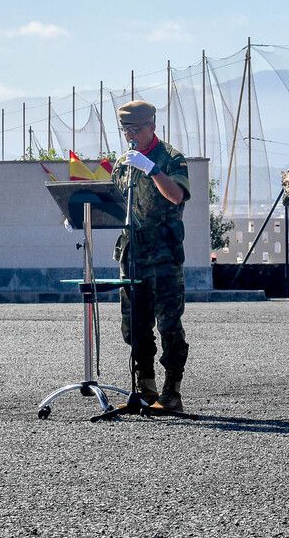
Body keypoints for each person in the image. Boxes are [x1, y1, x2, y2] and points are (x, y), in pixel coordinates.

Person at [110, 100, 191, 411]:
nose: (130, 135)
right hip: (132, 251)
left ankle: (172, 391)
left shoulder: (170, 159)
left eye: (135, 128)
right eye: (125, 129)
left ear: (152, 126)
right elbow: (116, 204)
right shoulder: (122, 163)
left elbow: (176, 195)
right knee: (134, 324)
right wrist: (81, 212)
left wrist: (152, 169)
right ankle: (145, 388)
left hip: (163, 253)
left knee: (169, 322)